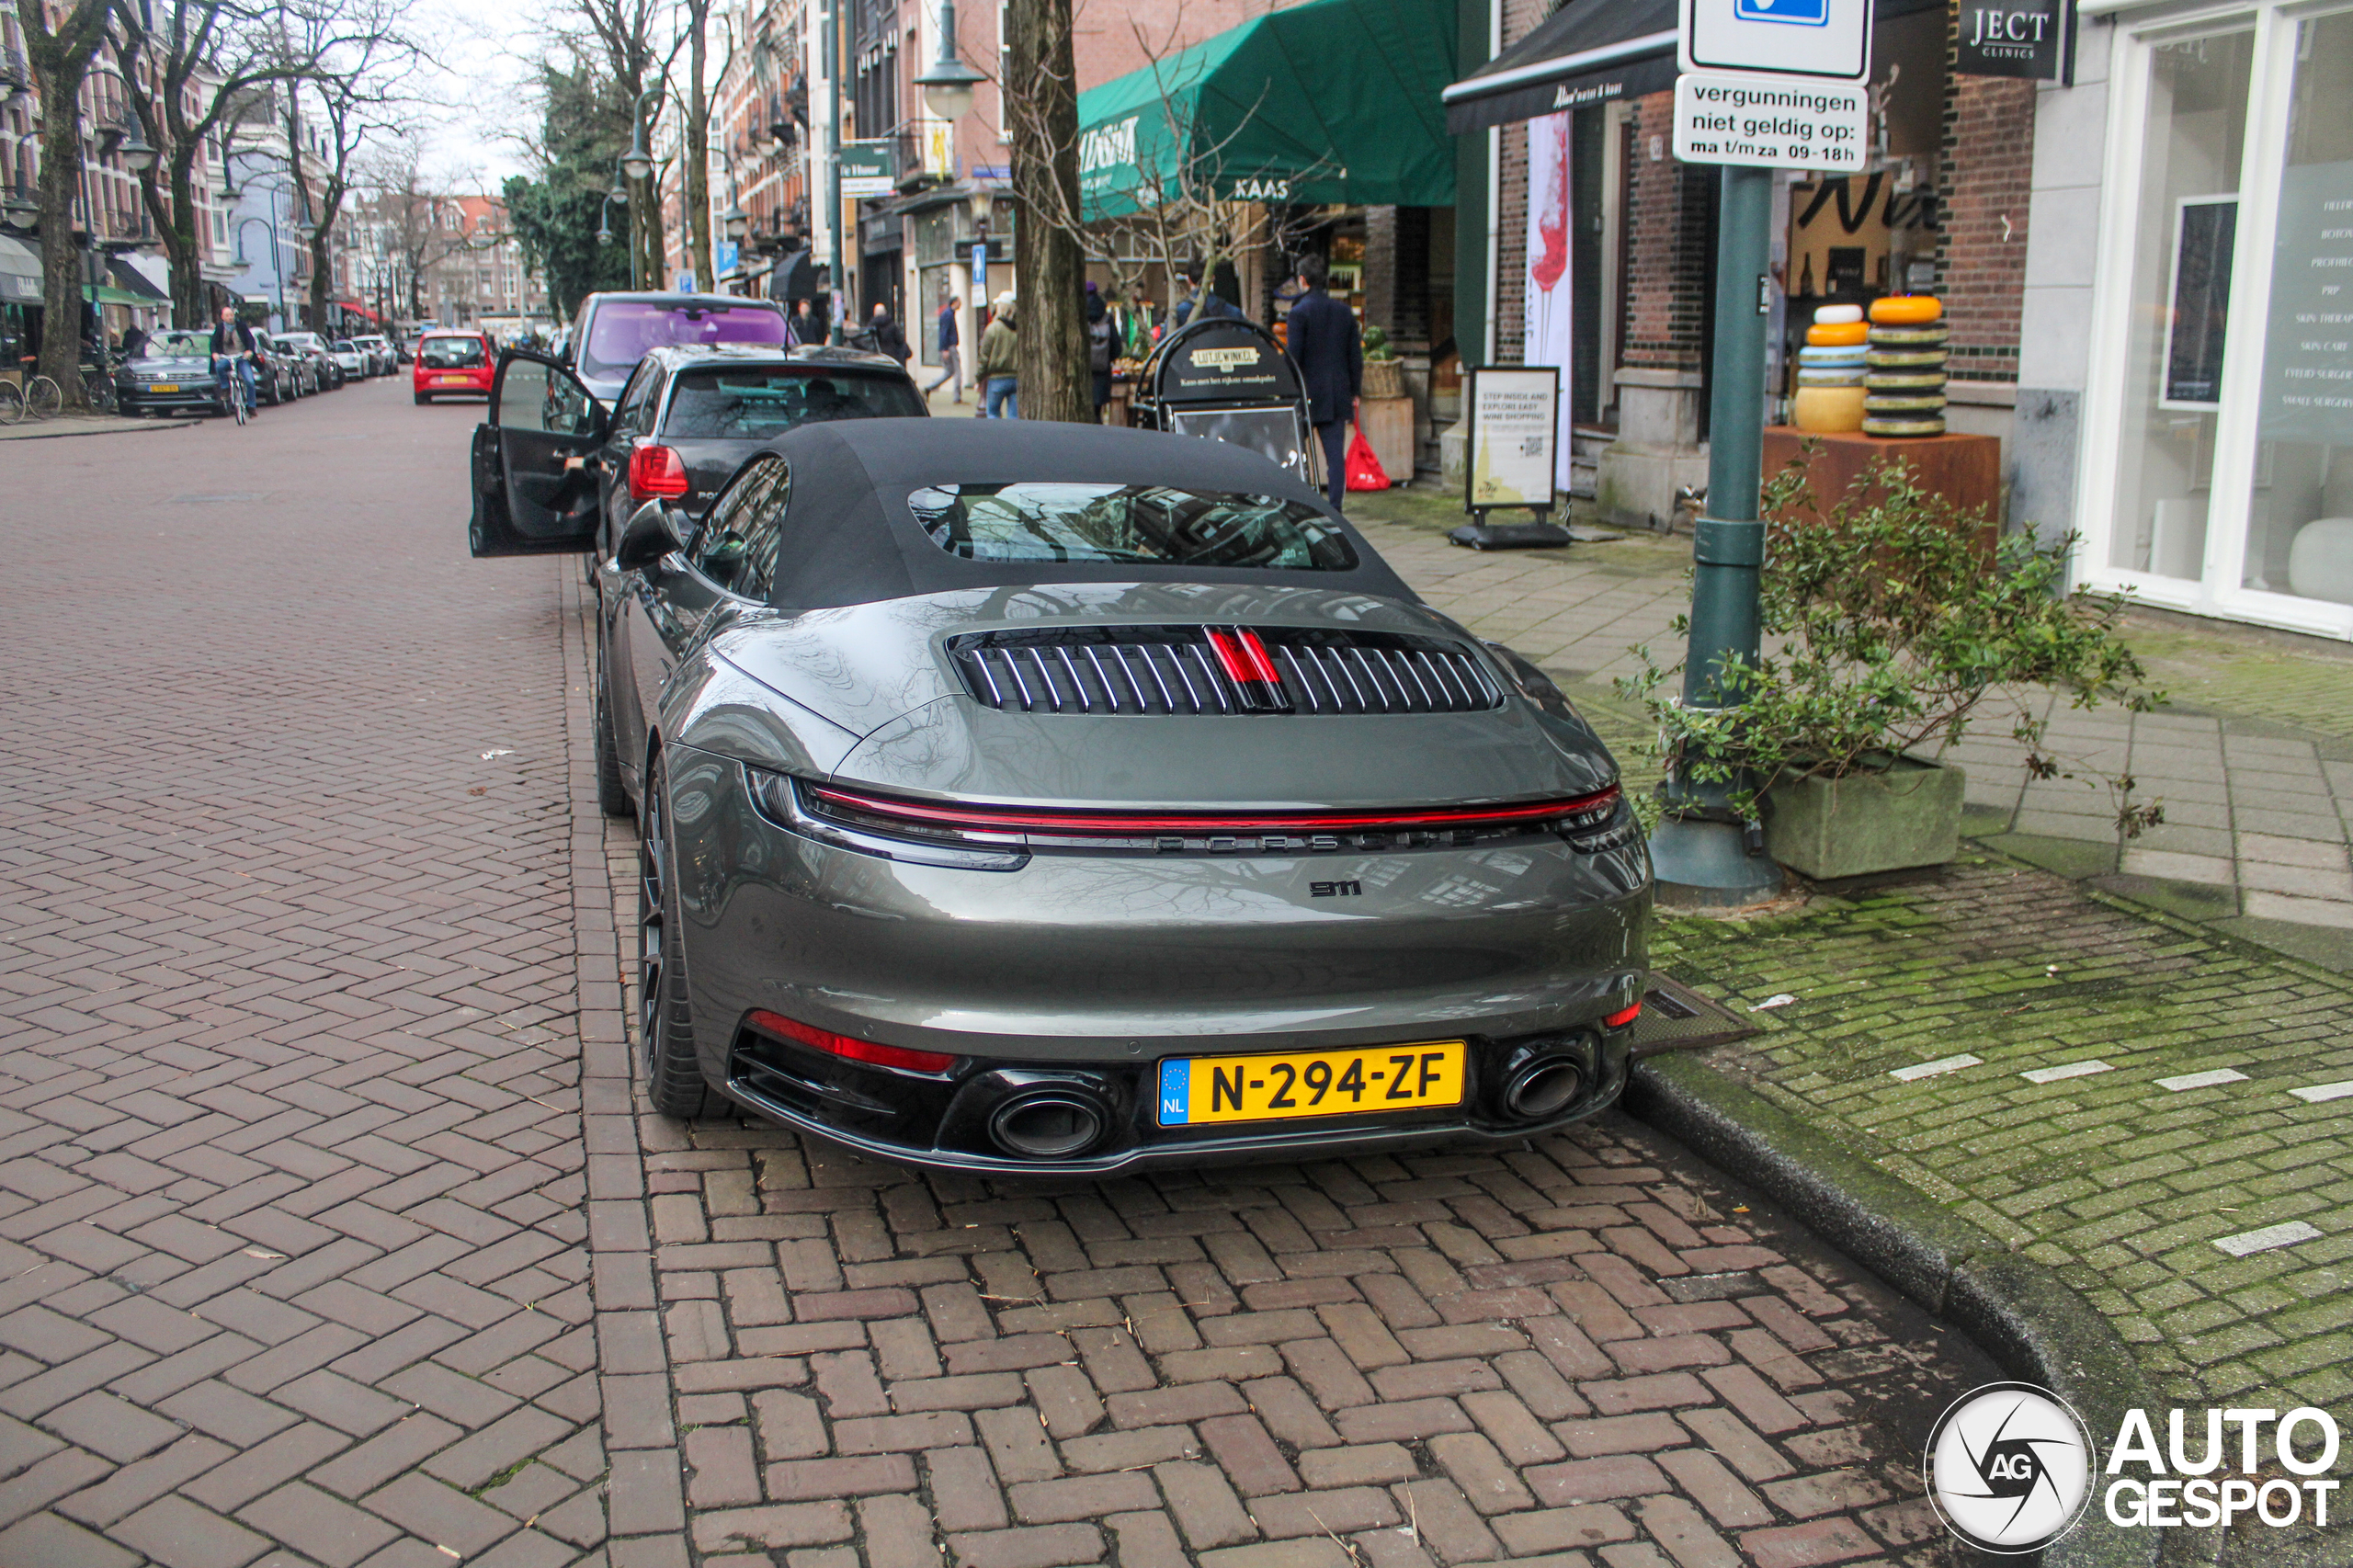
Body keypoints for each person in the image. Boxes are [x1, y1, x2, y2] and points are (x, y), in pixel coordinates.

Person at [1283, 255, 1361, 511]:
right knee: (1335, 458)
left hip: (1306, 393)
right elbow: (1355, 356)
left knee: (1292, 450)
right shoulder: (1344, 312)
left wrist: (1285, 387)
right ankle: (1336, 509)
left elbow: (1293, 356)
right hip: (1337, 393)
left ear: (1302, 280)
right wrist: (1355, 390)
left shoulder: (1298, 313)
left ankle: (1294, 500)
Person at [210, 303, 260, 417]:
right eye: (227, 315)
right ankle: (225, 388)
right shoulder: (220, 328)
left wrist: (249, 351)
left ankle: (251, 406)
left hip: (241, 358)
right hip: (227, 357)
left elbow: (250, 339)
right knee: (219, 367)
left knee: (250, 381)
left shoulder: (241, 326)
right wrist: (215, 354)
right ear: (222, 317)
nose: (230, 317)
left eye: (231, 315)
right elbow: (213, 342)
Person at [975, 291, 1018, 419]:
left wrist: (979, 378)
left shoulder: (993, 329)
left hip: (996, 379)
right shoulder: (1020, 328)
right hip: (1016, 378)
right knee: (1014, 417)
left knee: (993, 415)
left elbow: (984, 356)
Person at [1085, 281, 1113, 419]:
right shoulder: (1107, 317)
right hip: (1102, 376)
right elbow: (1117, 347)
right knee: (1097, 416)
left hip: (1083, 376)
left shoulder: (1077, 316)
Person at [926, 295, 962, 403]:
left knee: (949, 372)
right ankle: (957, 397)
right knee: (957, 372)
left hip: (948, 346)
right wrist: (945, 349)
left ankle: (929, 387)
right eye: (959, 302)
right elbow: (944, 332)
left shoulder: (948, 314)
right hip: (950, 347)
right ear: (954, 302)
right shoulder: (948, 314)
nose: (960, 304)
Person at [869, 301, 911, 366]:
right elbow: (900, 340)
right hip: (891, 357)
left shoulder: (870, 327)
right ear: (885, 312)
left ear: (874, 313)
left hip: (876, 357)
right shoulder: (892, 325)